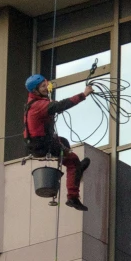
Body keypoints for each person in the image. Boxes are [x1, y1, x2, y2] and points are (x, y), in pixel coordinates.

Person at [24, 74, 93, 211]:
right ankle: (72, 197)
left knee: (64, 142)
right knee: (72, 160)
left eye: (46, 84)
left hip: (39, 141)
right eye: (42, 86)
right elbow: (63, 104)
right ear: (35, 90)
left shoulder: (34, 102)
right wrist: (84, 94)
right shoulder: (40, 105)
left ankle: (76, 171)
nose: (46, 88)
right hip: (42, 144)